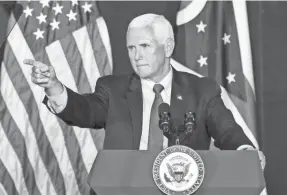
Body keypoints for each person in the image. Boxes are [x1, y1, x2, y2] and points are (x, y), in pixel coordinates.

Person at [24, 13, 263, 154]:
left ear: (167, 47)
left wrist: (245, 151)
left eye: (145, 46)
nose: (136, 56)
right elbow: (84, 111)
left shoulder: (202, 90)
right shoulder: (111, 89)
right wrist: (53, 86)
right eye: (131, 48)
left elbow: (228, 132)